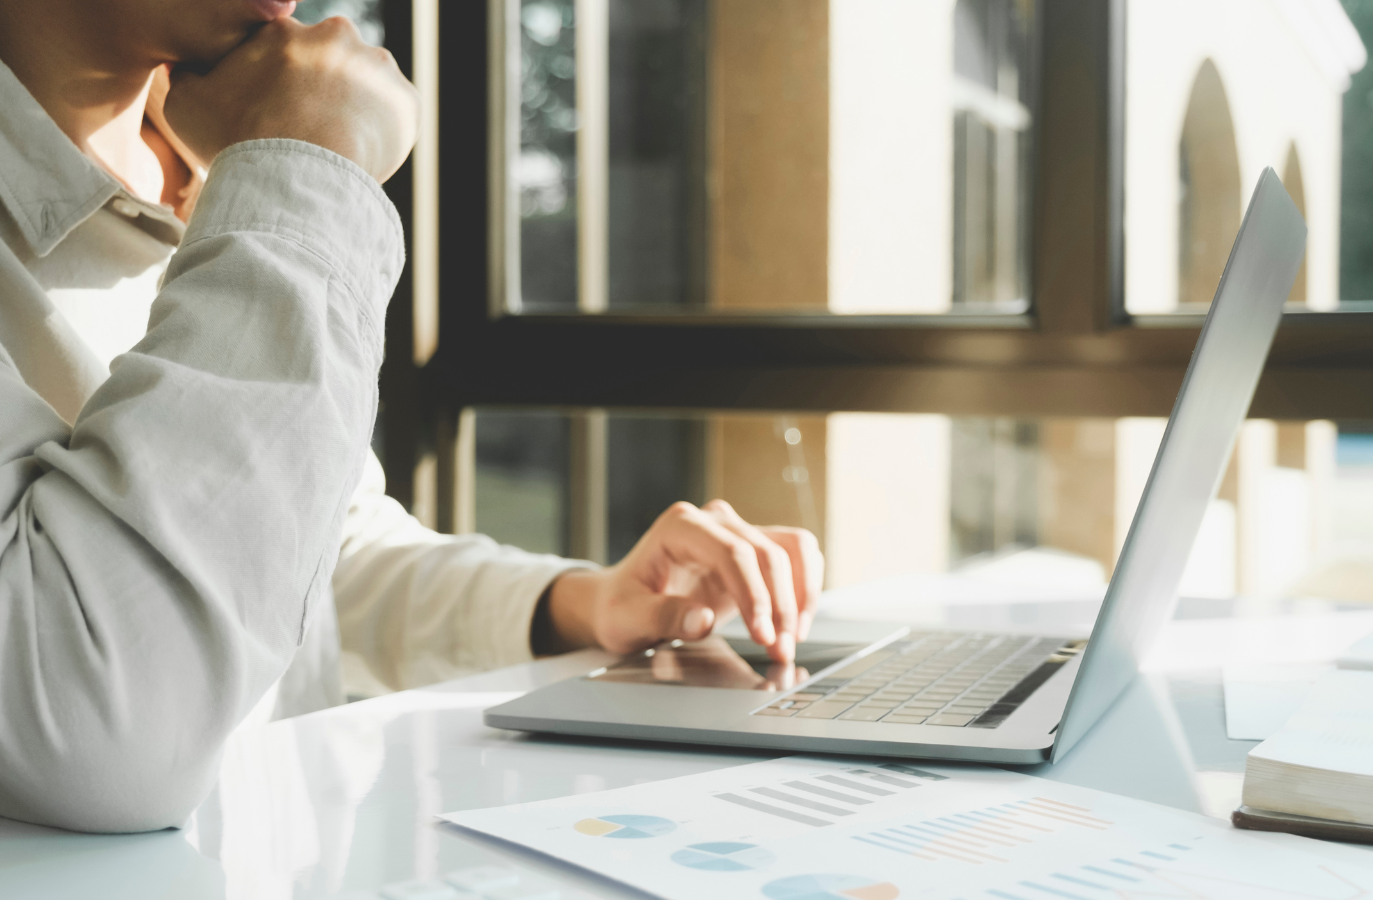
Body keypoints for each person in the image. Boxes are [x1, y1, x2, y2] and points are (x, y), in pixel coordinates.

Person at [0, 0, 822, 834]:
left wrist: (576, 604)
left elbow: (316, 554)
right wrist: (305, 170)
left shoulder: (219, 165)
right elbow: (97, 712)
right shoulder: (272, 173)